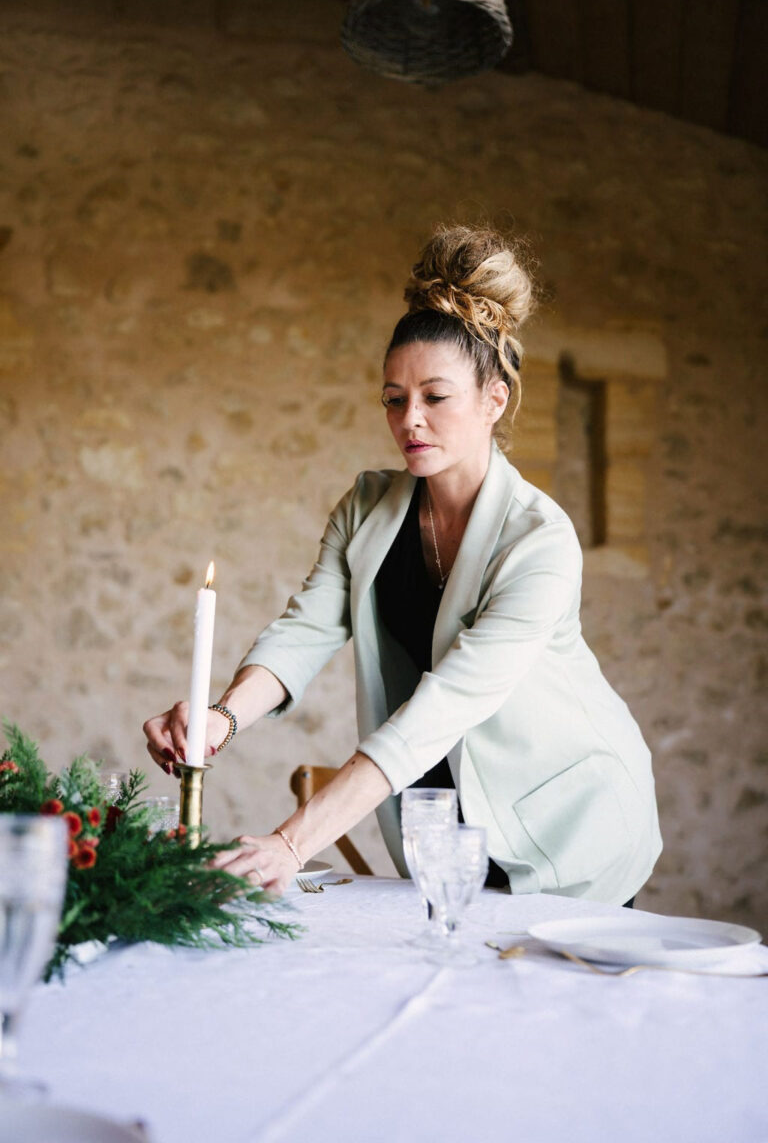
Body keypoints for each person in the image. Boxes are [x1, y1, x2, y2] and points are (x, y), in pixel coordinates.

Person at [143, 225, 662, 903]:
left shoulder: (540, 541)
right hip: (444, 833)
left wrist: (293, 842)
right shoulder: (366, 508)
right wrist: (222, 719)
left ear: (494, 399)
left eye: (435, 397)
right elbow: (305, 631)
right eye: (394, 398)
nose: (409, 419)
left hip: (570, 830)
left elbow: (439, 709)